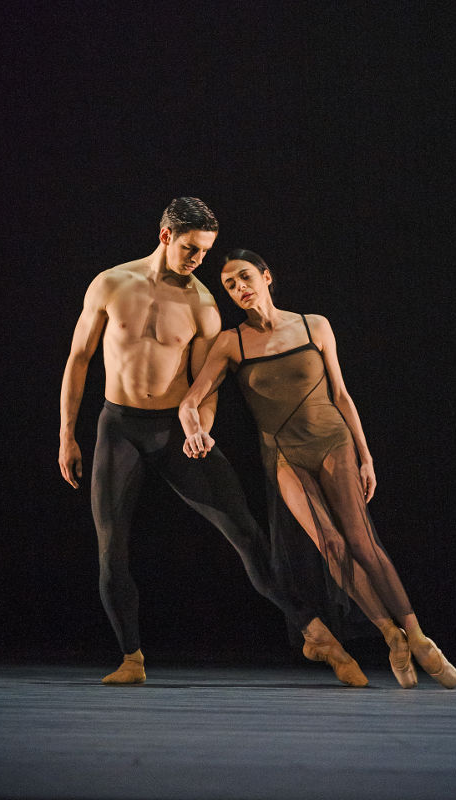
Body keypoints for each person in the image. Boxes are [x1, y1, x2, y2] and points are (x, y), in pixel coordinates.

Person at [58, 199, 369, 687]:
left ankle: (319, 636)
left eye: (203, 252)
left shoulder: (202, 304)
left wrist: (200, 429)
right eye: (189, 249)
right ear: (165, 236)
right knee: (110, 547)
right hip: (119, 427)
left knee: (245, 534)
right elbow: (79, 359)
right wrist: (66, 436)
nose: (196, 260)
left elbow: (206, 383)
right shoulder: (110, 284)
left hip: (175, 432)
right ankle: (131, 656)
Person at [180, 249, 456, 689]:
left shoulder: (314, 325)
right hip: (283, 454)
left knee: (362, 542)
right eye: (231, 284)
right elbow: (189, 401)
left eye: (246, 277)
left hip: (333, 441)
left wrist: (367, 456)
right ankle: (391, 637)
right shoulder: (232, 342)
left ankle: (421, 639)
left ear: (267, 276)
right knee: (330, 545)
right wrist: (194, 430)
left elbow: (342, 394)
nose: (240, 288)